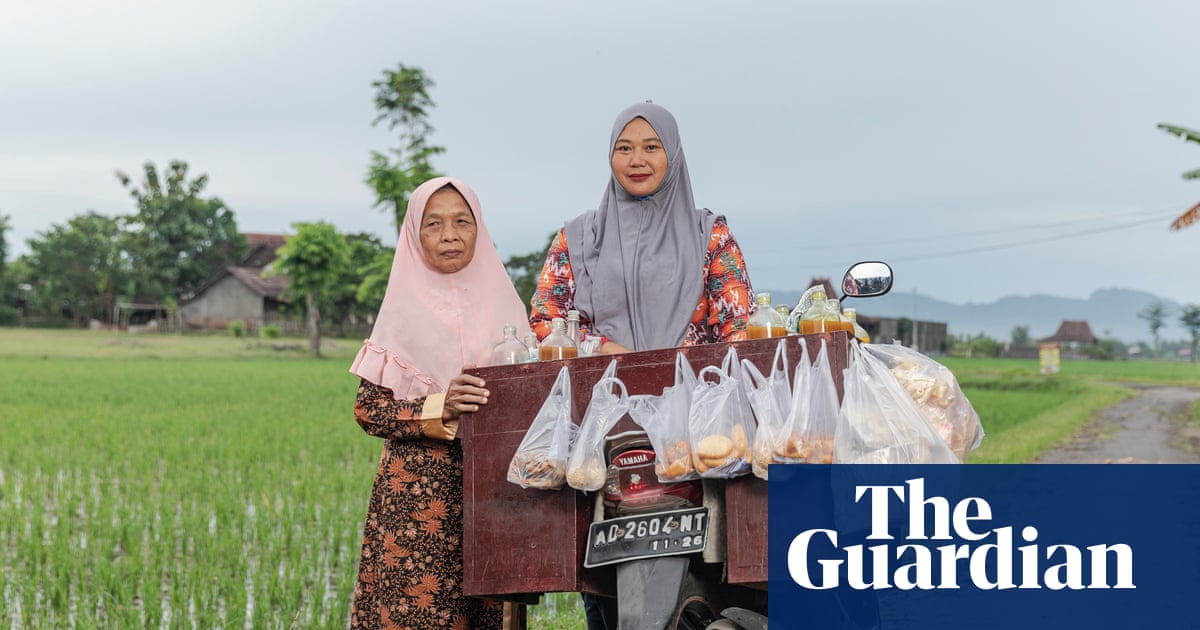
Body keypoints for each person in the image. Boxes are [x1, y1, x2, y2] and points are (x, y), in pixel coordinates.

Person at [528, 101, 757, 629]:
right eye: (623, 148)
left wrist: (675, 368)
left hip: (694, 431)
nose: (637, 159)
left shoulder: (709, 235)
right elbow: (546, 317)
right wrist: (599, 351)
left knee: (699, 573)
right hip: (602, 431)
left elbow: (738, 326)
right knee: (606, 582)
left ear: (673, 155)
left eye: (652, 147)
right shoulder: (577, 236)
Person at [348, 176, 531, 629]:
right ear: (415, 234)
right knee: (419, 614)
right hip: (417, 500)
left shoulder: (509, 310)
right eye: (433, 224)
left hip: (495, 494)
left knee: (491, 614)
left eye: (461, 221)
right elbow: (369, 409)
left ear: (479, 229)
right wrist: (439, 406)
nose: (449, 234)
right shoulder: (399, 313)